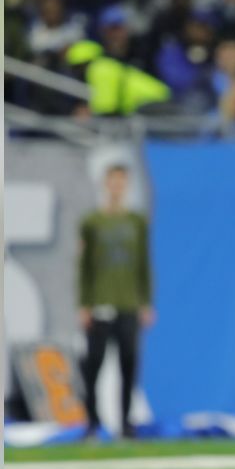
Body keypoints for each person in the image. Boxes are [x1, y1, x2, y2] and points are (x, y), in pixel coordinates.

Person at [78, 164, 154, 439]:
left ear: (127, 186)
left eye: (122, 182)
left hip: (129, 303)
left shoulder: (136, 222)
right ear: (105, 184)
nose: (117, 187)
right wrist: (84, 304)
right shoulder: (92, 222)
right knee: (93, 365)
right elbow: (84, 267)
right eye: (113, 181)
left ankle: (125, 422)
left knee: (129, 365)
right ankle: (92, 421)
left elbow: (144, 265)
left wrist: (145, 301)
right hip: (100, 302)